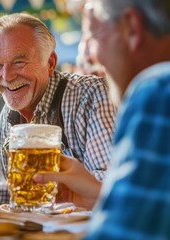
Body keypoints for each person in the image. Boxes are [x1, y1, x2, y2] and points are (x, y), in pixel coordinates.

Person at [37, 0, 170, 238]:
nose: (89, 55)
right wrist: (100, 195)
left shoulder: (159, 90)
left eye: (93, 36)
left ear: (132, 28)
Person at [0, 13, 118, 204]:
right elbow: (3, 195)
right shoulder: (9, 114)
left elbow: (112, 181)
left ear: (50, 63)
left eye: (19, 62)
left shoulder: (90, 95)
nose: (7, 76)